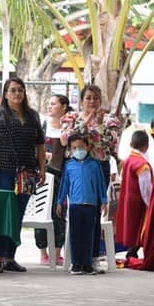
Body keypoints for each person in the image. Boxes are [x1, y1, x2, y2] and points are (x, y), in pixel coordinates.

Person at [0, 77, 46, 274]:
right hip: (3, 172)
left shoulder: (33, 116)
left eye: (20, 90)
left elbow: (40, 146)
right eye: (13, 90)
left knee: (17, 216)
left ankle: (11, 257)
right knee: (4, 215)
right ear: (6, 94)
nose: (18, 93)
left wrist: (42, 169)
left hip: (27, 174)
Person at [60, 84, 121, 270]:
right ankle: (76, 259)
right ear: (81, 100)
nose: (92, 101)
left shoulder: (110, 120)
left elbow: (111, 143)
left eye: (95, 98)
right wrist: (86, 121)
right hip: (76, 170)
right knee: (77, 213)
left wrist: (100, 124)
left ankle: (93, 257)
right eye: (88, 98)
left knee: (94, 214)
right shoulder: (71, 117)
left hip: (98, 167)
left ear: (101, 100)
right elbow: (65, 139)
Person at [56, 134, 108, 275]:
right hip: (75, 205)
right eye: (74, 148)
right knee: (75, 234)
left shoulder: (94, 164)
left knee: (88, 235)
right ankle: (76, 264)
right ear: (70, 150)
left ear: (87, 147)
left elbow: (100, 183)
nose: (78, 150)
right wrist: (60, 201)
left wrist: (103, 201)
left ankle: (87, 264)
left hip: (91, 205)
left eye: (81, 147)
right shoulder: (69, 165)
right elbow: (64, 185)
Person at [35, 94, 72, 266]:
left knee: (59, 211)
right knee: (41, 209)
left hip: (61, 175)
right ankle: (43, 251)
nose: (50, 107)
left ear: (64, 107)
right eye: (48, 104)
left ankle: (57, 251)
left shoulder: (69, 127)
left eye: (54, 104)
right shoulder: (42, 126)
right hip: (43, 174)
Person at [115, 130, 153, 259]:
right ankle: (133, 251)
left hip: (127, 198)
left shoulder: (129, 159)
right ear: (146, 146)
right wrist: (150, 204)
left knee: (131, 226)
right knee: (139, 227)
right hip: (138, 201)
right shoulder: (142, 164)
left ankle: (132, 251)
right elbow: (146, 188)